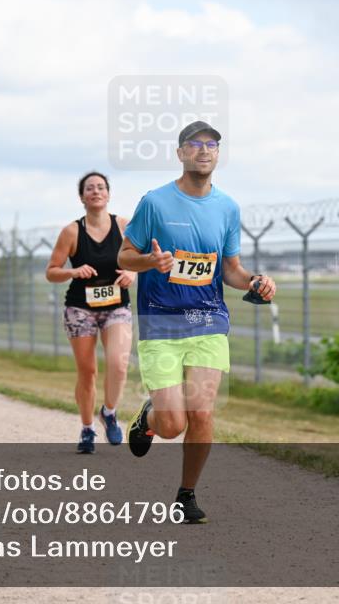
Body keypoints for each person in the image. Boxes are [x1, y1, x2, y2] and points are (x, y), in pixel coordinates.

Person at [118, 121, 276, 523]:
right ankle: (151, 417)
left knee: (202, 412)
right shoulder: (154, 202)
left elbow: (231, 271)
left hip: (208, 321)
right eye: (195, 144)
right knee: (173, 424)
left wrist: (255, 280)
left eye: (212, 145)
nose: (204, 151)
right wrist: (151, 261)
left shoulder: (227, 207)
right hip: (161, 323)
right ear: (181, 153)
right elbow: (124, 257)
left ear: (218, 154)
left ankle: (186, 494)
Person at [46, 172, 135, 454]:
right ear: (82, 197)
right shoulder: (71, 232)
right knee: (88, 371)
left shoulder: (124, 226)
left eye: (100, 187)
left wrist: (132, 271)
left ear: (108, 194)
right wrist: (73, 271)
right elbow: (52, 271)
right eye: (89, 188)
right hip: (80, 307)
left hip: (116, 305)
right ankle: (86, 429)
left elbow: (142, 260)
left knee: (119, 364)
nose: (95, 191)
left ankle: (109, 412)